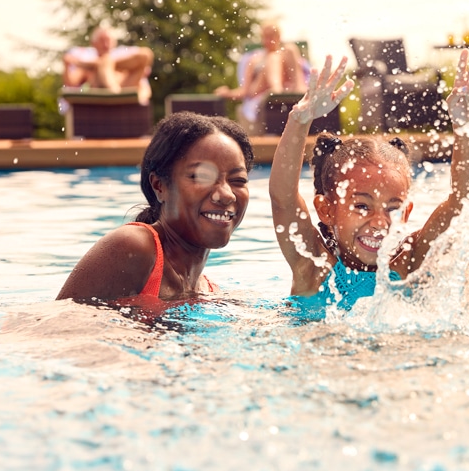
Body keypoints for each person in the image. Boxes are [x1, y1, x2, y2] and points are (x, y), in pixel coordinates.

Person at [269, 51, 469, 314]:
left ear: (407, 212)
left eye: (393, 208)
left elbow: (463, 200)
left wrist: (466, 129)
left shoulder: (409, 262)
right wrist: (300, 120)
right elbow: (283, 199)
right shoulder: (314, 266)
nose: (379, 222)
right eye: (362, 206)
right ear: (327, 209)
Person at [56, 112, 254, 311]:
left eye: (238, 180)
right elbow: (56, 331)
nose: (227, 194)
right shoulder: (133, 245)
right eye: (202, 177)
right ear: (159, 186)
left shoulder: (209, 292)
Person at [214, 23, 309, 135]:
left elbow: (305, 73)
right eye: (266, 36)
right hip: (258, 90)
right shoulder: (255, 59)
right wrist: (227, 93)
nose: (268, 40)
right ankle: (276, 90)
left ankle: (297, 90)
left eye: (272, 36)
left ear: (279, 37)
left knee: (290, 48)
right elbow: (244, 91)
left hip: (288, 87)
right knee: (272, 57)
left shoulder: (285, 54)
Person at [62, 26, 155, 101]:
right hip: (102, 95)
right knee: (105, 61)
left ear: (114, 43)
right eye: (102, 41)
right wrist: (66, 65)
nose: (106, 44)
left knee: (146, 55)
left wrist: (91, 63)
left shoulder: (122, 58)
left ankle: (117, 95)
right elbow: (71, 83)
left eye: (108, 40)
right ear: (94, 43)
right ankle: (115, 94)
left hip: (126, 91)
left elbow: (145, 90)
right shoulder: (87, 62)